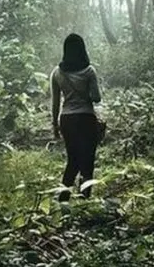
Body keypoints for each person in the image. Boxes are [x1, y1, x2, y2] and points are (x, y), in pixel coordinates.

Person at [50, 33, 101, 200]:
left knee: (73, 160)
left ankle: (63, 198)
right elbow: (96, 98)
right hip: (86, 118)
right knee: (88, 161)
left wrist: (55, 126)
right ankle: (85, 199)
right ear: (82, 49)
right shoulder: (89, 71)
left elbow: (55, 103)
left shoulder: (57, 73)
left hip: (67, 120)